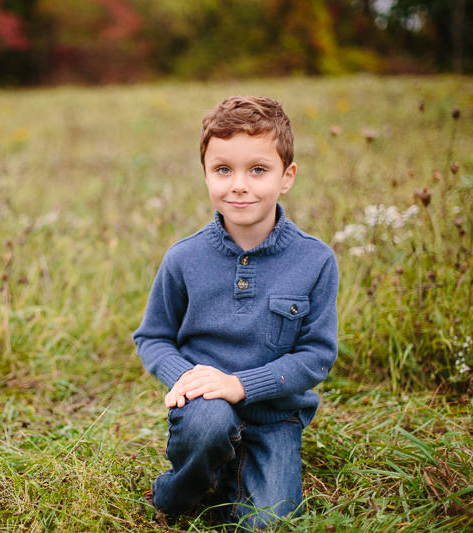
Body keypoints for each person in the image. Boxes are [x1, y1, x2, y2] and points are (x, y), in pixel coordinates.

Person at [133, 95, 339, 530]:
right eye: (223, 169)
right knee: (209, 425)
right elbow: (152, 337)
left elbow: (315, 355)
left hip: (275, 415)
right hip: (204, 407)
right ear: (206, 173)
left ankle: (232, 472)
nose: (239, 185)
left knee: (267, 524)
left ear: (288, 176)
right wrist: (187, 380)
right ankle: (178, 489)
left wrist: (241, 384)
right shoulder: (184, 258)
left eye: (258, 170)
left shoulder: (315, 261)